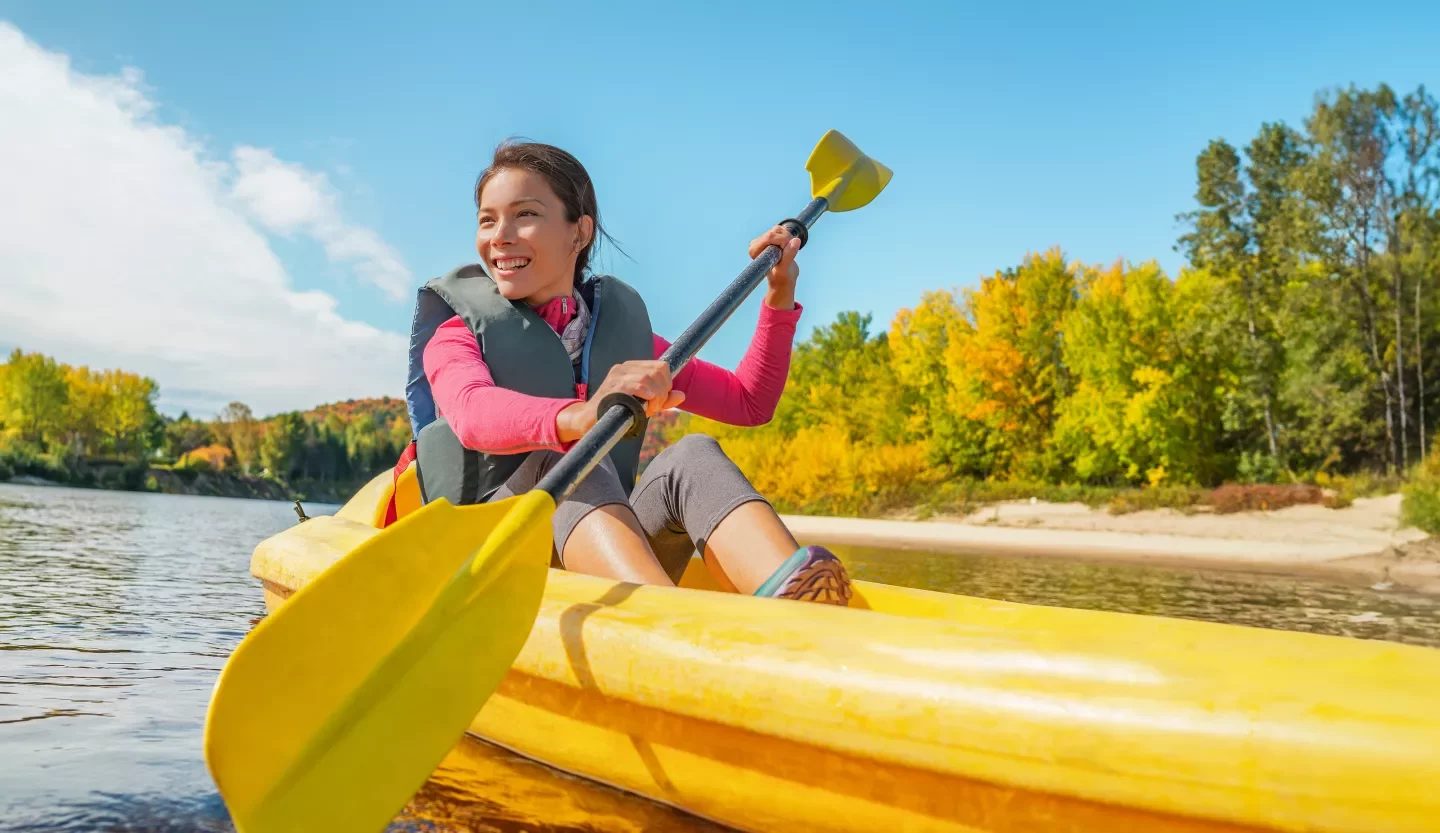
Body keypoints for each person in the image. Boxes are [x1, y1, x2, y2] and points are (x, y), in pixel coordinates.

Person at [403, 140, 850, 605]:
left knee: (692, 455)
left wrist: (778, 295)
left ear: (579, 233)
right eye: (487, 219)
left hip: (597, 551)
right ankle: (667, 629)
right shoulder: (456, 337)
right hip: (490, 565)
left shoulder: (625, 343)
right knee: (573, 461)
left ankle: (798, 603)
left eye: (526, 215)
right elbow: (475, 415)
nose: (500, 235)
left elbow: (749, 402)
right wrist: (584, 416)